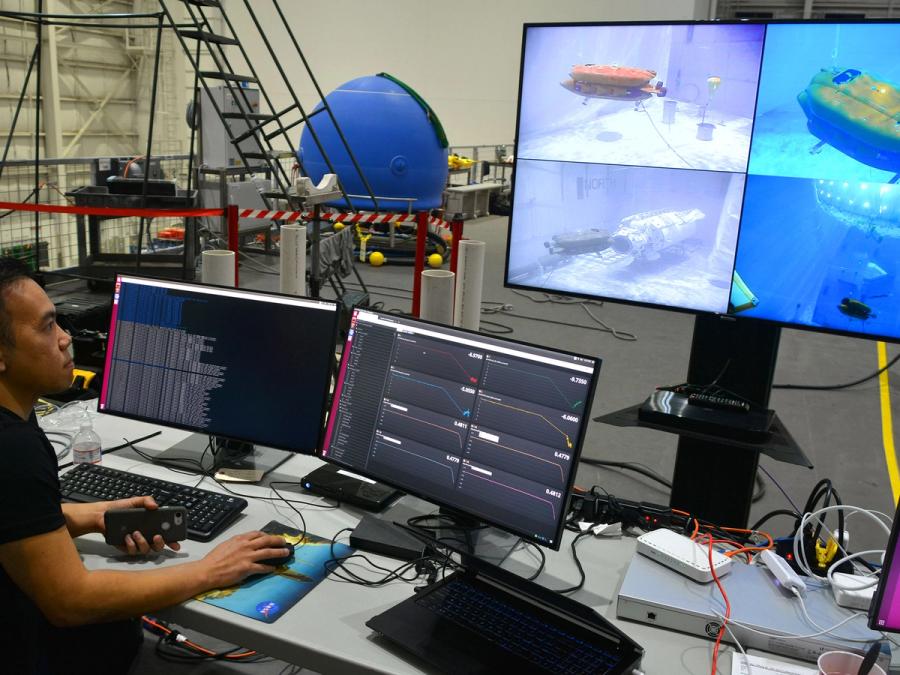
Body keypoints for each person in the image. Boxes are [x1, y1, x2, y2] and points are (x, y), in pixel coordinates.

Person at [0, 257, 291, 674]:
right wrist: (211, 569)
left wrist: (92, 515)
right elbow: (71, 601)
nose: (65, 338)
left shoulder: (16, 419)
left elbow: (12, 522)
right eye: (48, 327)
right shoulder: (13, 449)